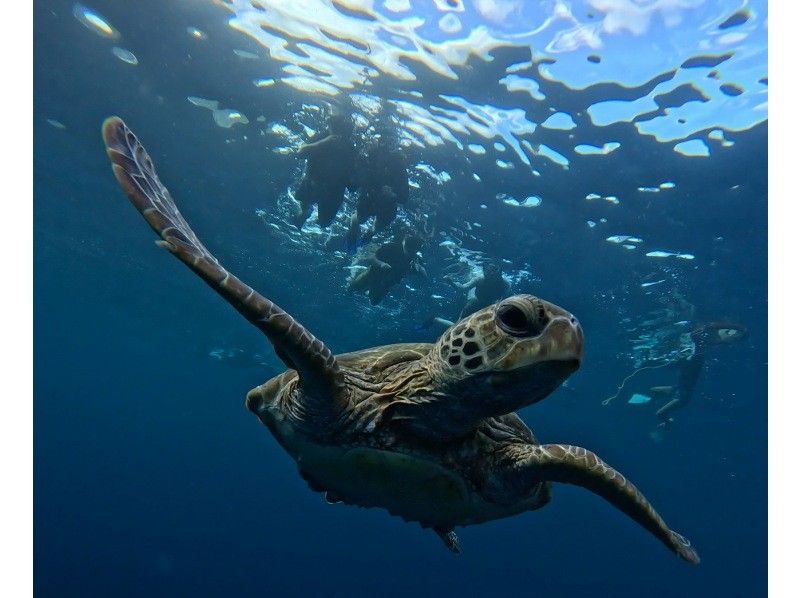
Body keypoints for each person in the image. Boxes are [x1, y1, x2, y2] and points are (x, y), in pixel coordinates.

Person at [650, 321, 748, 430]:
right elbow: (674, 364)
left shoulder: (696, 360)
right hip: (677, 388)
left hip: (683, 397)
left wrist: (698, 338)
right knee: (653, 390)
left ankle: (668, 423)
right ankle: (657, 403)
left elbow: (696, 350)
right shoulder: (689, 358)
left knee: (659, 414)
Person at [292, 104, 357, 229]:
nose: (333, 129)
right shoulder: (322, 137)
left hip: (333, 192)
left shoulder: (350, 149)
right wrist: (324, 142)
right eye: (331, 125)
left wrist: (354, 179)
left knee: (324, 223)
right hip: (312, 183)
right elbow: (300, 152)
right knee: (304, 211)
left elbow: (353, 182)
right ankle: (306, 212)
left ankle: (312, 218)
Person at [348, 233, 425, 305]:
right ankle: (359, 278)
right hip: (372, 274)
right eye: (408, 247)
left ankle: (367, 291)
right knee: (351, 289)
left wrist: (419, 269)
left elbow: (424, 274)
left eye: (413, 250)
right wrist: (381, 264)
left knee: (374, 302)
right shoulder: (391, 247)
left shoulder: (415, 259)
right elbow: (371, 258)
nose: (409, 252)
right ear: (403, 243)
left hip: (387, 283)